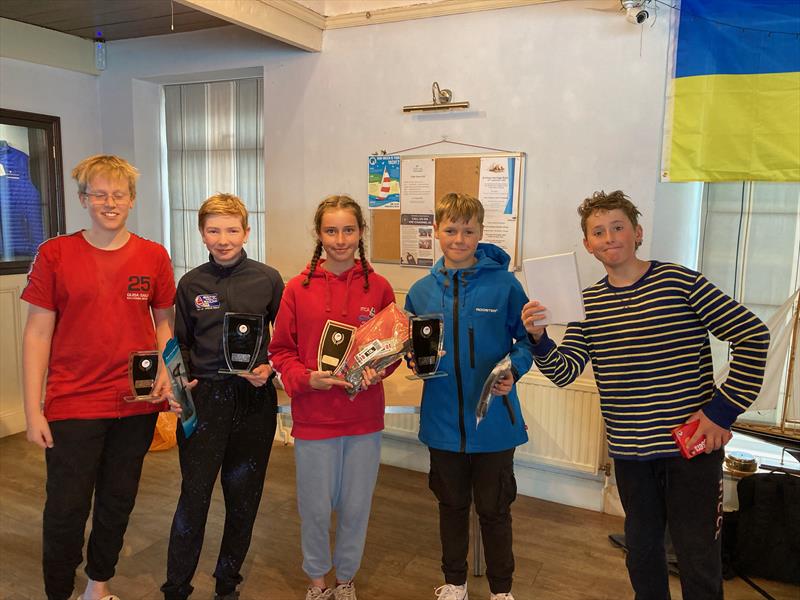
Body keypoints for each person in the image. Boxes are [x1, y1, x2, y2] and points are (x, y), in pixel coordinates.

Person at [521, 190, 770, 600]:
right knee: (642, 554)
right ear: (588, 245)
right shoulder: (590, 302)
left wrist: (721, 413)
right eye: (598, 231)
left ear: (637, 233)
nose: (609, 236)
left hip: (689, 449)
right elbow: (564, 372)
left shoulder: (680, 282)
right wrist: (538, 338)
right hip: (630, 453)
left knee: (697, 557)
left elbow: (753, 335)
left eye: (618, 227)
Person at [21, 154, 176, 600]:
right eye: (99, 194)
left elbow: (163, 322)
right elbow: (37, 334)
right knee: (66, 509)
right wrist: (34, 411)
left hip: (136, 403)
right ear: (84, 199)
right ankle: (59, 592)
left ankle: (98, 587)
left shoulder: (153, 255)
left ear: (131, 200)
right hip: (73, 403)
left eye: (119, 195)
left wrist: (167, 368)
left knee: (117, 501)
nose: (110, 203)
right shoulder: (56, 254)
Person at [404, 192, 533, 600]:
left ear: (480, 233)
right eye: (451, 229)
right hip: (443, 422)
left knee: (495, 510)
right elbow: (412, 348)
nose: (459, 238)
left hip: (494, 423)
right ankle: (455, 581)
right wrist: (412, 360)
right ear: (437, 231)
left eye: (468, 230)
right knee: (452, 506)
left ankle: (501, 590)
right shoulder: (421, 291)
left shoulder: (505, 284)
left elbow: (527, 342)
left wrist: (514, 370)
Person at [268, 194, 397, 600]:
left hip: (363, 418)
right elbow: (280, 351)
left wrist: (382, 369)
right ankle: (317, 582)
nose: (340, 239)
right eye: (331, 230)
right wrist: (306, 379)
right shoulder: (296, 289)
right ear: (319, 234)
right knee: (316, 509)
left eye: (348, 230)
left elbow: (392, 348)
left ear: (360, 233)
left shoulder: (378, 288)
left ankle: (345, 580)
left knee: (356, 508)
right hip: (314, 417)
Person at [161, 193, 284, 600]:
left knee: (243, 499)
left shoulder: (267, 279)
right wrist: (178, 393)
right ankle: (176, 587)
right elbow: (178, 346)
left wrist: (270, 369)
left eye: (232, 229)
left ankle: (227, 583)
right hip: (204, 400)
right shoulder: (190, 283)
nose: (223, 238)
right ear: (201, 233)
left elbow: (283, 342)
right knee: (192, 500)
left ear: (247, 232)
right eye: (213, 230)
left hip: (253, 400)